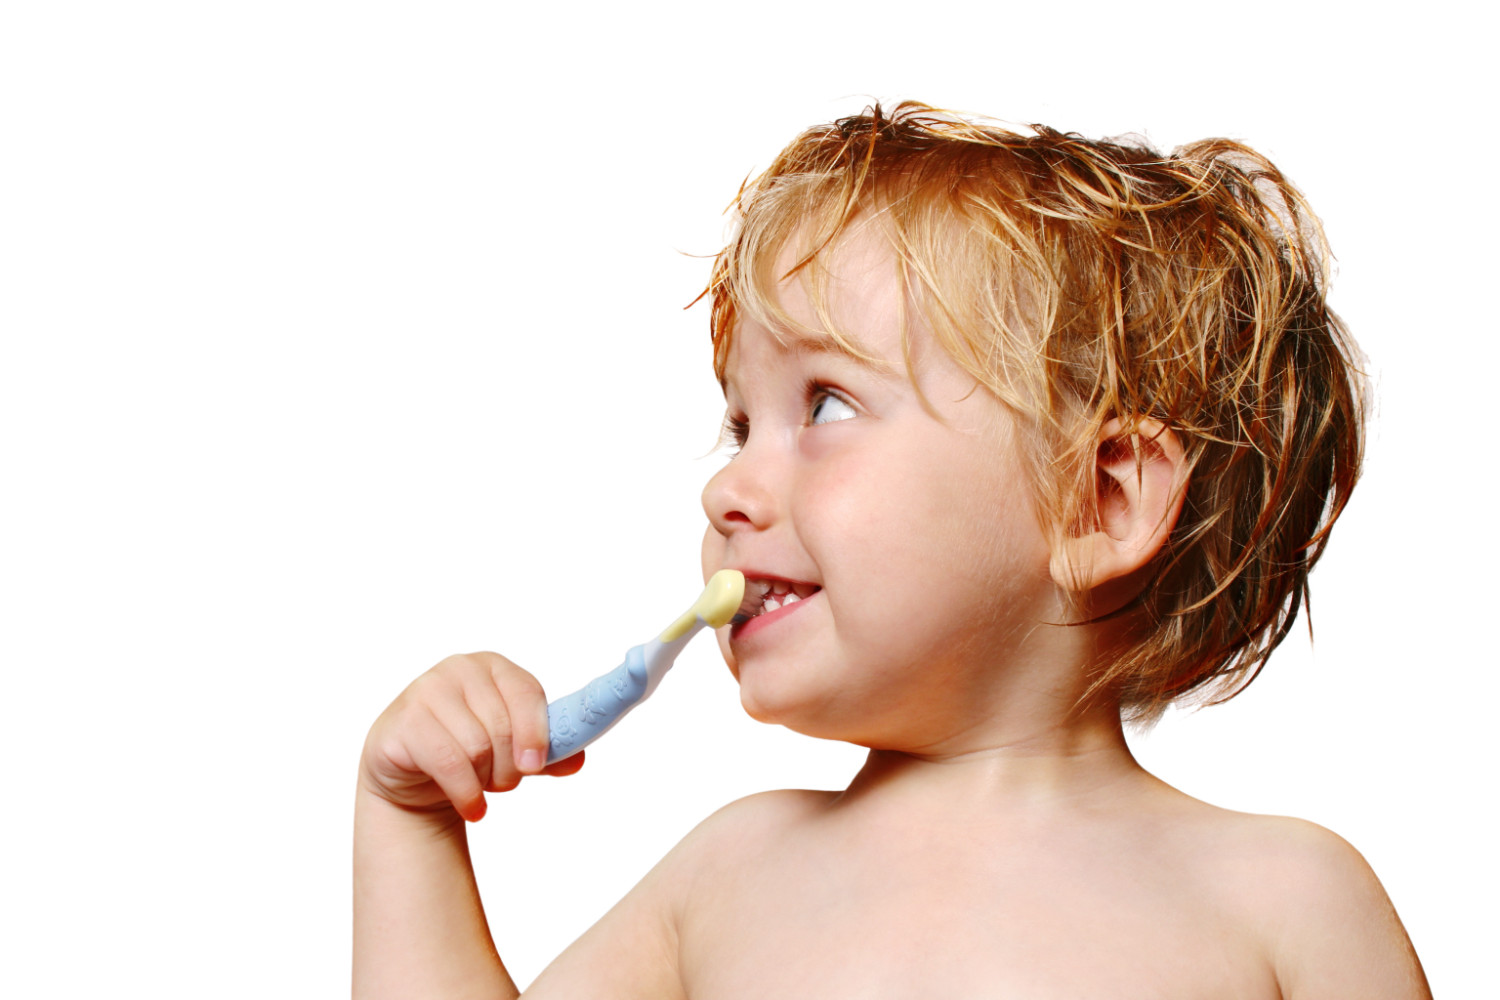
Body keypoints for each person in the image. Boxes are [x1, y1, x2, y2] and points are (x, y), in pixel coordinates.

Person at [352, 102, 1431, 998]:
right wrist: (408, 824)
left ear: (1097, 499)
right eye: (740, 427)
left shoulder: (1287, 902)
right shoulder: (730, 876)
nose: (728, 487)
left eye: (824, 406)